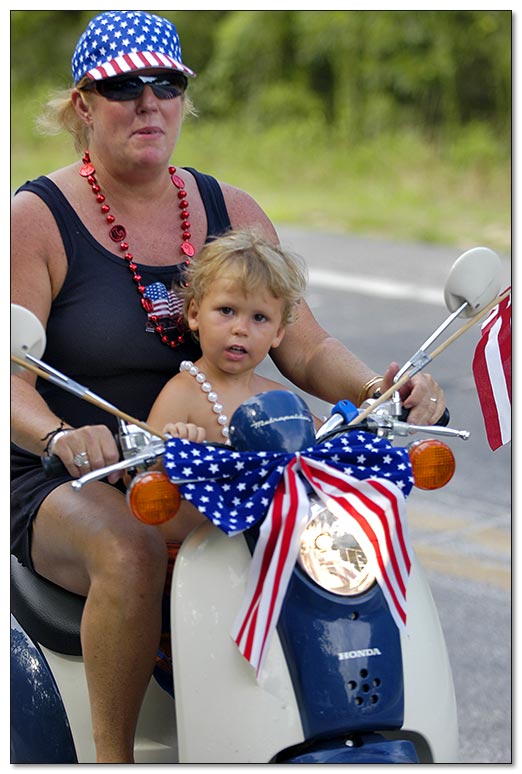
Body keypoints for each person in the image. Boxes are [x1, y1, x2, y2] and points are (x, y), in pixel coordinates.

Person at [10, 10, 445, 763]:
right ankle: (112, 757)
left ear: (183, 97)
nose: (149, 102)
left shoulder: (229, 211)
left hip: (218, 460)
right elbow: (8, 376)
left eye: (167, 84)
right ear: (83, 104)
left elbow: (306, 345)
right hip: (80, 473)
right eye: (125, 86)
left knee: (340, 532)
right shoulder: (35, 220)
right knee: (131, 551)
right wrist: (57, 435)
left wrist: (382, 390)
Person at [147, 228, 322, 444]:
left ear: (278, 333)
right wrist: (171, 446)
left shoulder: (278, 399)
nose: (241, 328)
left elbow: (323, 442)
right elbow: (141, 471)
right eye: (227, 311)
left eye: (259, 317)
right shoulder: (182, 394)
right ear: (194, 314)